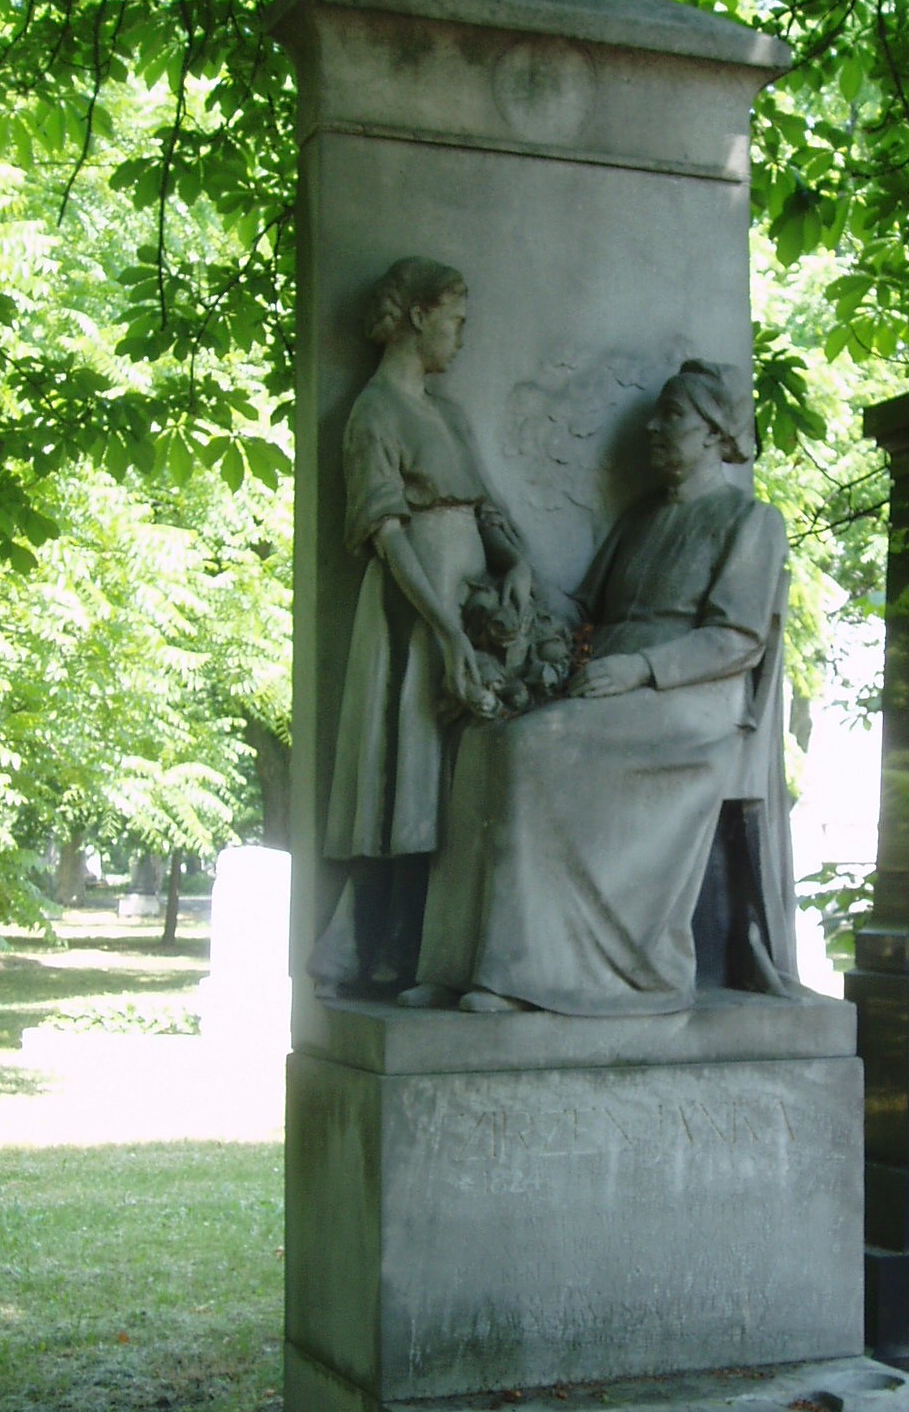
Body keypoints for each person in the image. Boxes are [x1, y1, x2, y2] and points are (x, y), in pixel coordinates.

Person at [410, 360, 801, 1016]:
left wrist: (642, 669)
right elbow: (584, 609)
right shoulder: (642, 519)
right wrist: (519, 578)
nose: (652, 427)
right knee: (482, 742)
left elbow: (737, 638)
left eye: (671, 416)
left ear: (714, 432)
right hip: (611, 685)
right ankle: (458, 966)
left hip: (691, 702)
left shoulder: (749, 520)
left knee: (533, 747)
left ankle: (523, 974)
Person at [308, 258, 531, 993]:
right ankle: (385, 945)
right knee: (405, 771)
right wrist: (445, 631)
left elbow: (487, 511)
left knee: (446, 777)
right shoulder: (374, 413)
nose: (461, 338)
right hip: (413, 611)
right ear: (417, 317)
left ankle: (426, 943)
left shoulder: (450, 415)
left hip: (468, 603)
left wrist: (516, 566)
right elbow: (387, 535)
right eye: (455, 321)